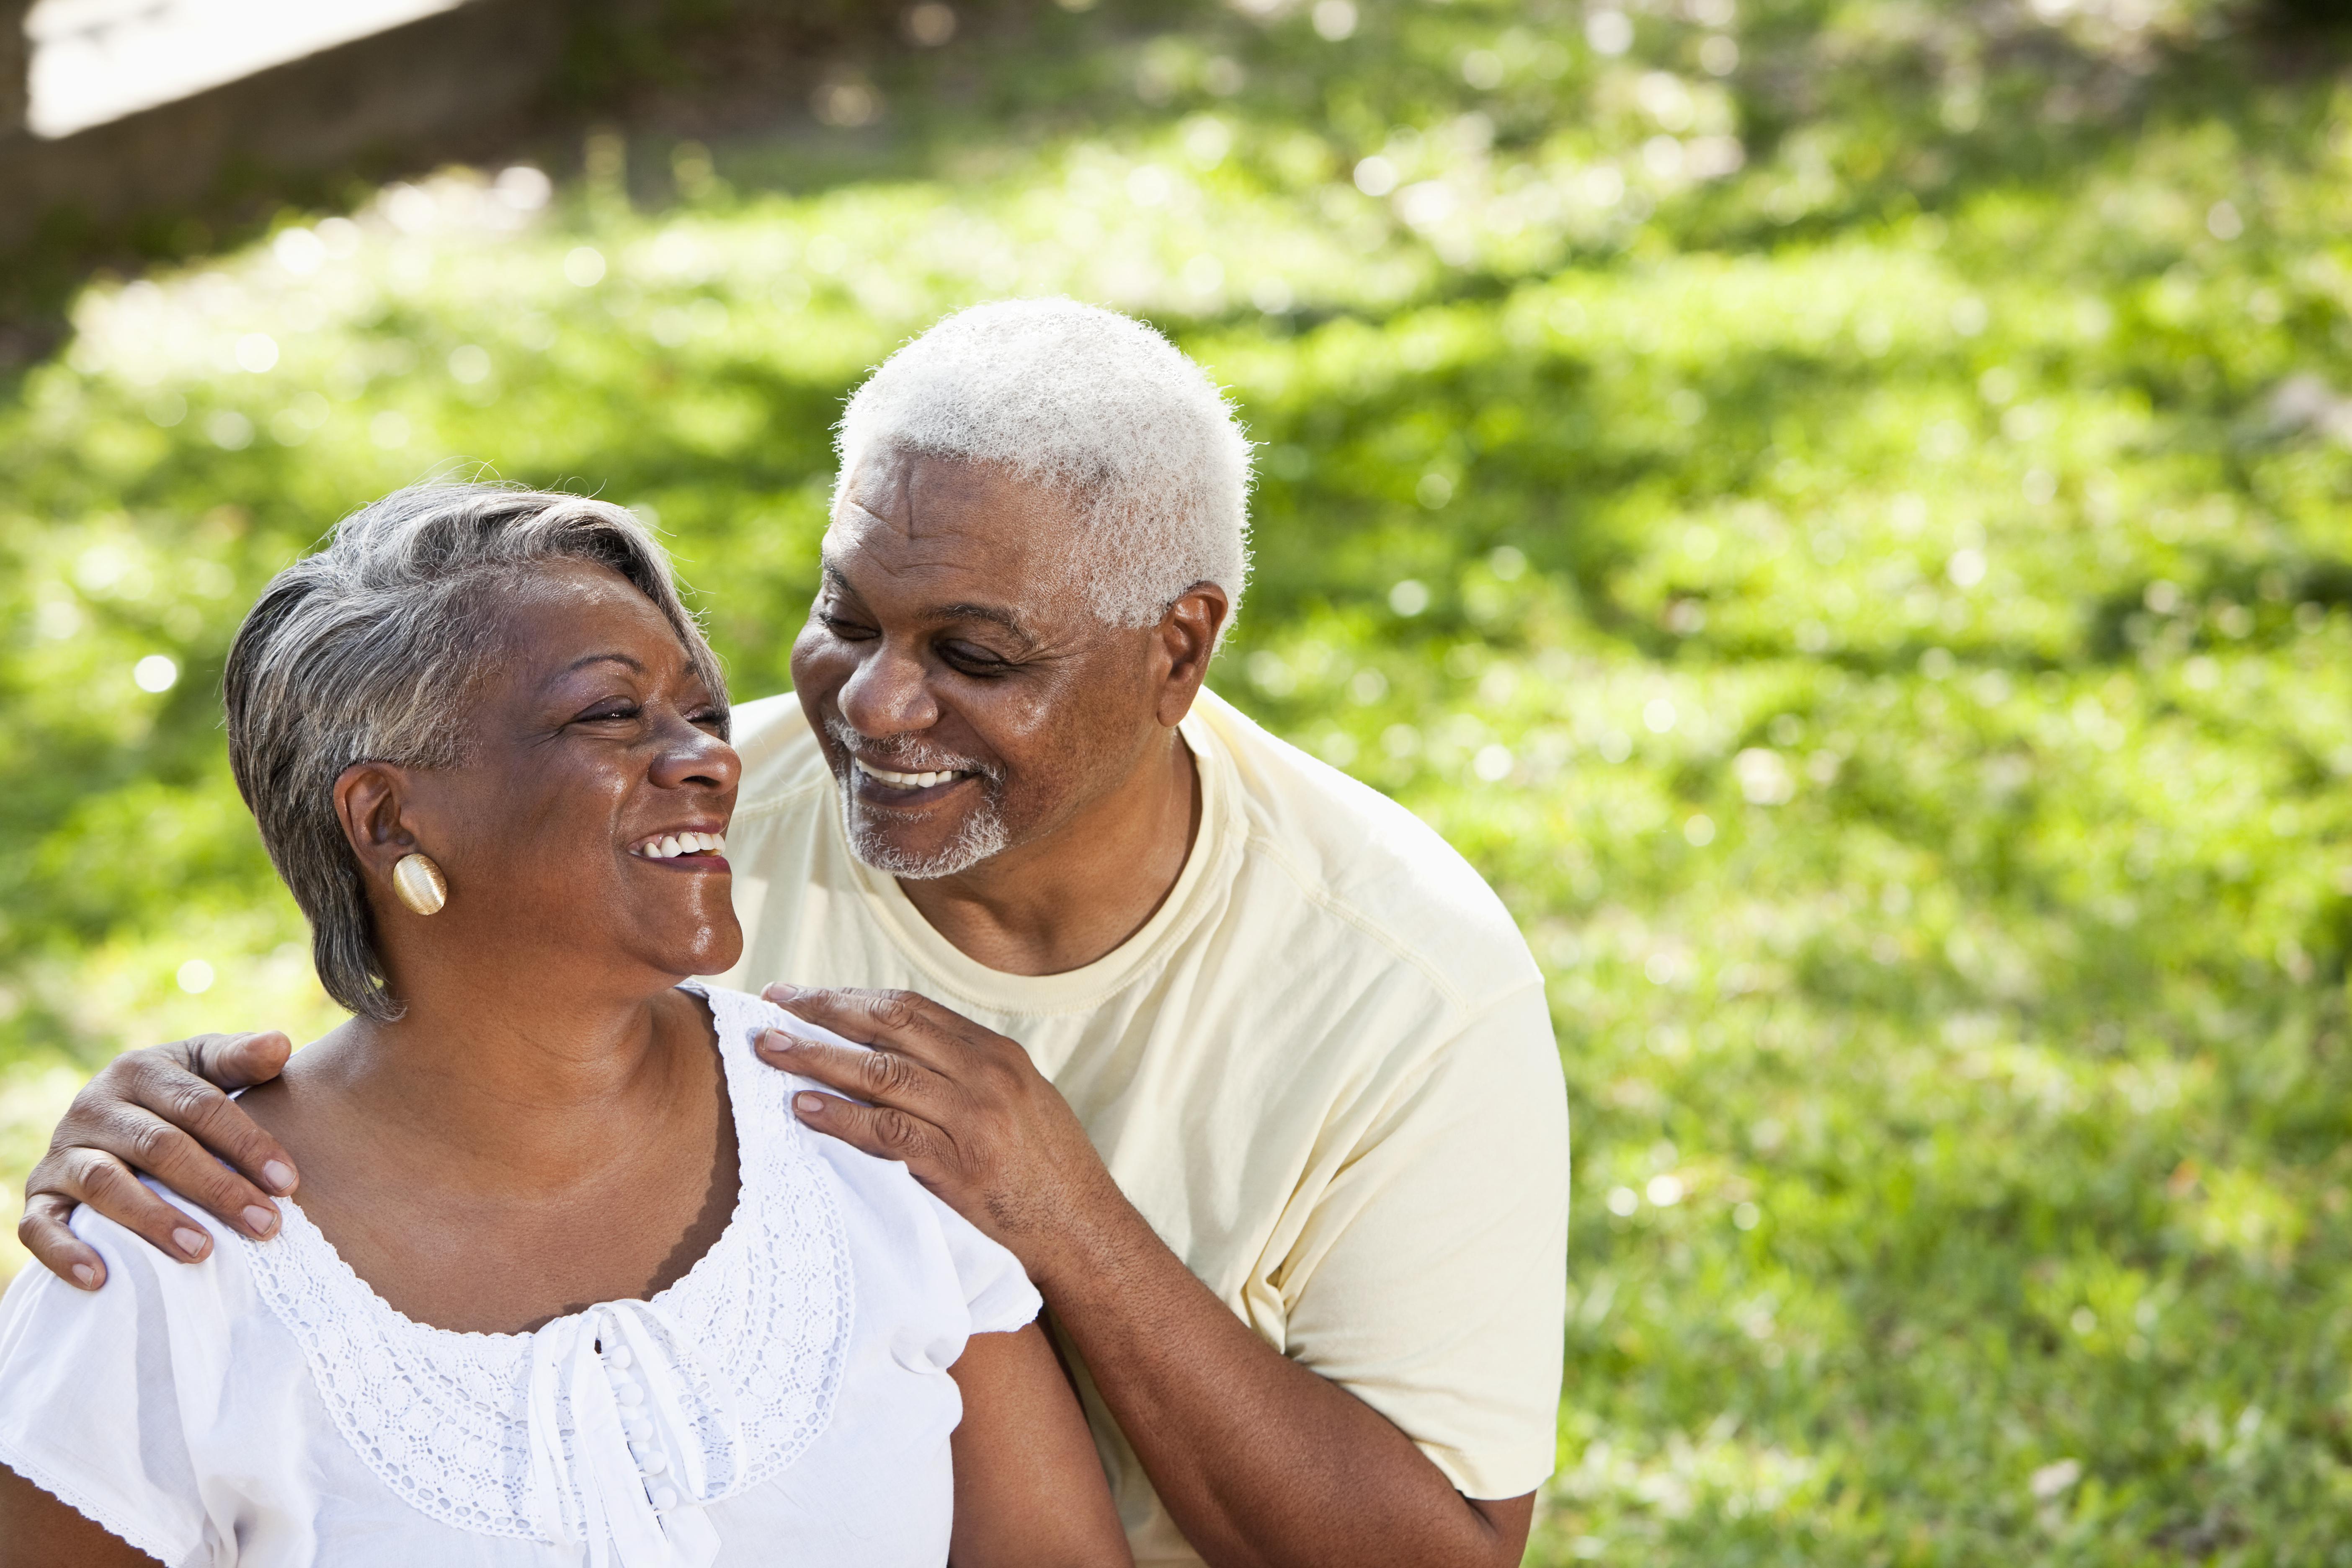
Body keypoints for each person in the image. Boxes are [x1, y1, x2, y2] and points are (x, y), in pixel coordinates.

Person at [20, 299, 1571, 1568]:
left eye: (973, 652)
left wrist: (1056, 1208)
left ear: (1177, 652)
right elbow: (441, 949)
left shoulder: (1399, 980)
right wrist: (140, 1140)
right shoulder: (706, 804)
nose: (871, 712)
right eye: (845, 619)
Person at [0, 488, 1129, 1567]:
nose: (708, 759)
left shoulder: (876, 1139)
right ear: (389, 820)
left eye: (699, 712)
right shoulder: (168, 1248)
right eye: (611, 715)